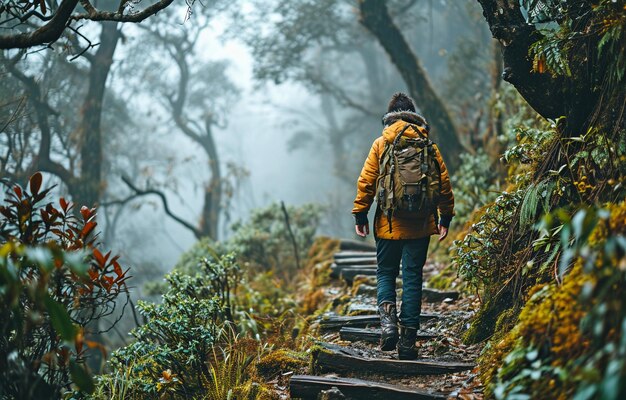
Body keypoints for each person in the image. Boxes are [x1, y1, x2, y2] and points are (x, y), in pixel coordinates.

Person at [352, 92, 455, 360]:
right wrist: (446, 217)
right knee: (412, 277)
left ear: (390, 117)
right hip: (420, 224)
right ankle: (408, 342)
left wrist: (360, 214)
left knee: (386, 272)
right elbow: (443, 183)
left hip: (387, 222)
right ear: (413, 113)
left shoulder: (381, 143)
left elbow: (367, 181)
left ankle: (388, 326)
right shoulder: (427, 144)